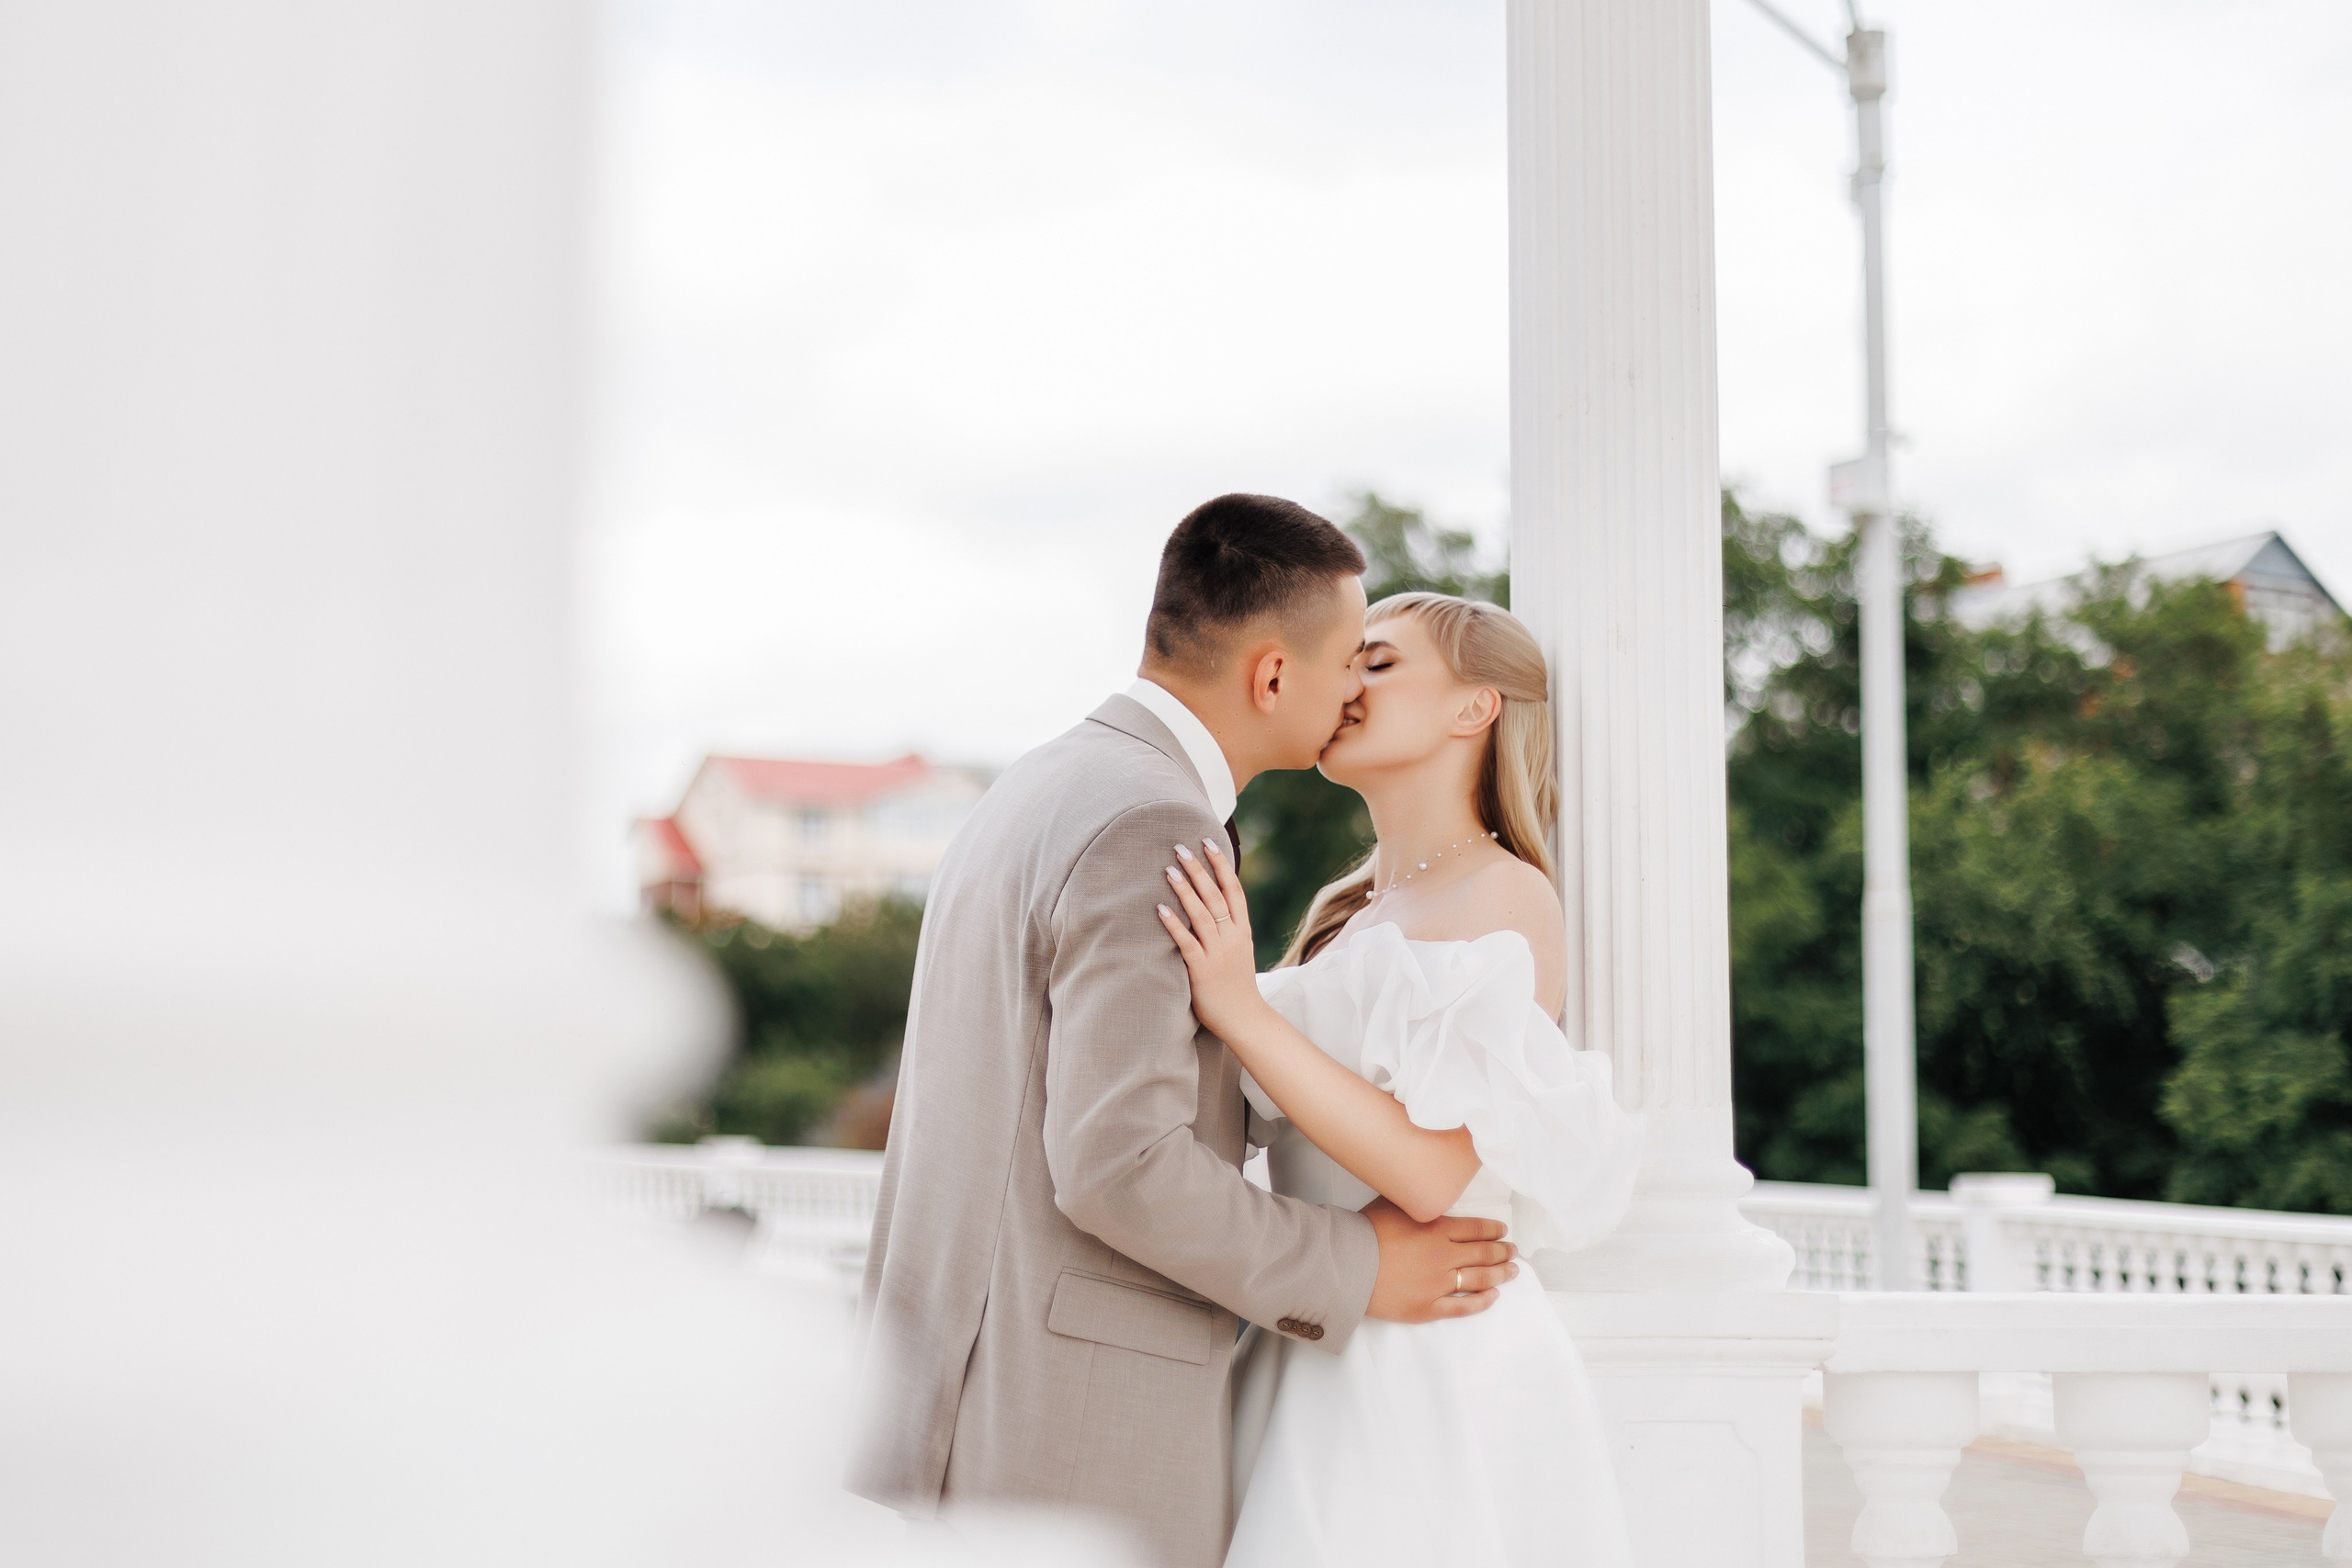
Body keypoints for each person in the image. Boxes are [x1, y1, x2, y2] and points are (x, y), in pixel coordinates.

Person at [847, 497, 1521, 1568]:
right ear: (1270, 677)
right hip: (1064, 1419)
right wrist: (1357, 1268)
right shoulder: (1151, 821)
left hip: (961, 1392)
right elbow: (1119, 1163)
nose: (1353, 688)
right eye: (1351, 659)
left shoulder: (1037, 783)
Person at [1154, 591, 1645, 1568]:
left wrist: (1240, 1008)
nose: (1345, 682)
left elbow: (1431, 1175)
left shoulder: (1505, 892)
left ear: (1475, 708)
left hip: (1425, 1358)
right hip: (1321, 1335)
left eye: (1376, 663)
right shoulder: (1352, 913)